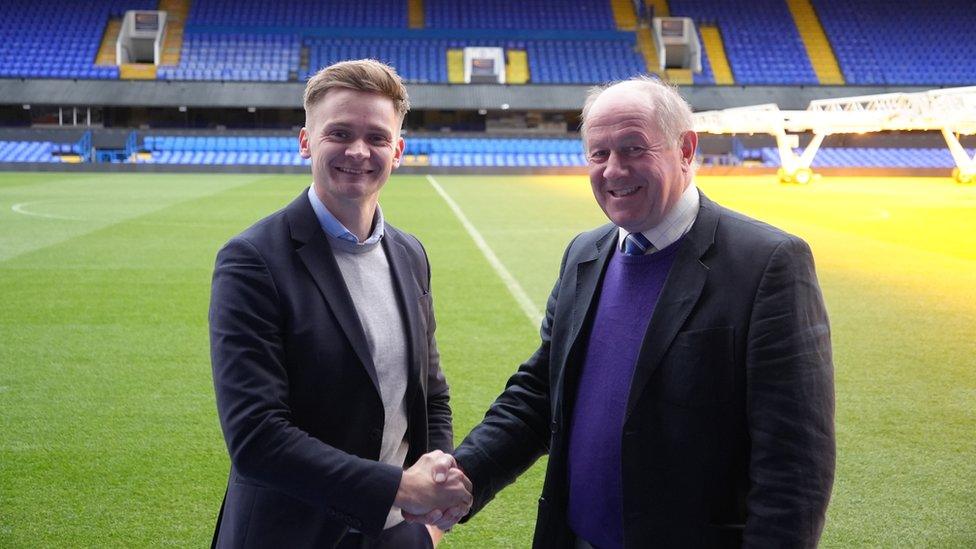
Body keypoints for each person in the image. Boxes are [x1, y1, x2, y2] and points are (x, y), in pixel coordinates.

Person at [423, 76, 836, 548]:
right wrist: (461, 479)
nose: (614, 170)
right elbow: (540, 394)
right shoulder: (585, 253)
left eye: (634, 149)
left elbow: (794, 467)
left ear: (685, 149)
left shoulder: (767, 264)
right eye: (598, 154)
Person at [208, 59, 471, 548]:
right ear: (306, 141)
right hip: (290, 535)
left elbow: (431, 394)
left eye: (376, 137)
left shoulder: (409, 253)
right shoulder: (252, 260)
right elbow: (256, 437)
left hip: (397, 535)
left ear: (398, 150)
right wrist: (396, 485)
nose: (358, 151)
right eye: (339, 133)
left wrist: (430, 508)